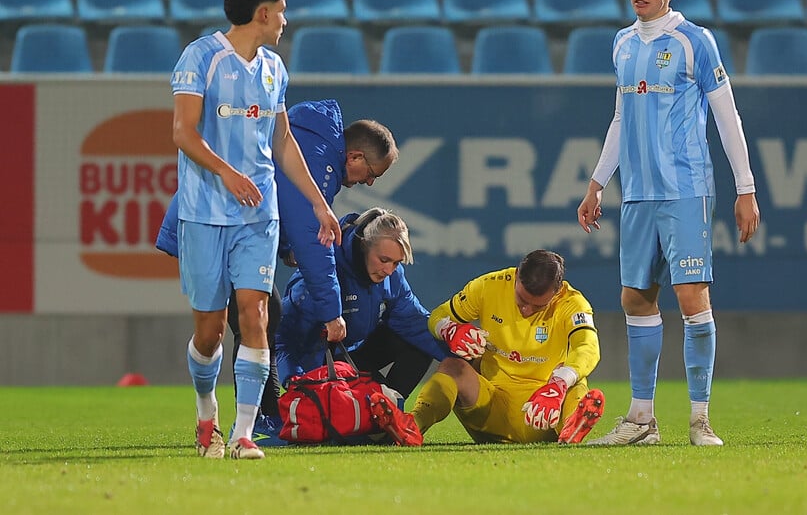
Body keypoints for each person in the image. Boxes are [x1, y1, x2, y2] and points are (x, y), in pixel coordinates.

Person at [576, 0, 760, 447]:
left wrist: (745, 187)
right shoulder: (621, 43)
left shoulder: (694, 41)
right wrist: (597, 182)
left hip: (685, 188)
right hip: (637, 193)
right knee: (635, 297)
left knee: (691, 295)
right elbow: (620, 117)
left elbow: (727, 115)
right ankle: (642, 420)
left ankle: (700, 420)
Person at [171, 0, 342, 461]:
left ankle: (244, 433)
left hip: (258, 215)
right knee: (208, 331)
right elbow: (183, 132)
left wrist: (318, 202)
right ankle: (207, 411)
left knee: (256, 314)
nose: (285, 21)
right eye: (282, 12)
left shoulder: (274, 69)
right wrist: (227, 173)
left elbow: (282, 141)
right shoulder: (201, 57)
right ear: (263, 13)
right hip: (205, 213)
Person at [156, 100, 399, 443]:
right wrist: (332, 312)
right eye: (373, 174)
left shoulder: (312, 144)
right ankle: (250, 418)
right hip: (212, 227)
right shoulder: (317, 158)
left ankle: (255, 418)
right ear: (355, 157)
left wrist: (286, 248)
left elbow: (279, 203)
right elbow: (313, 238)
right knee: (252, 317)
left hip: (223, 226)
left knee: (258, 315)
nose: (370, 183)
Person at [370, 250, 605, 446]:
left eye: (538, 307)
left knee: (574, 381)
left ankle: (569, 429)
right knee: (453, 366)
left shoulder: (572, 303)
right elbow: (438, 316)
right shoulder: (489, 286)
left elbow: (588, 347)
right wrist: (449, 329)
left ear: (557, 292)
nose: (526, 311)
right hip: (490, 406)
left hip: (543, 415)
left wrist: (558, 384)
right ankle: (412, 425)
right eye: (522, 300)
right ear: (516, 276)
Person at [275, 207, 450, 445]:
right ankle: (367, 419)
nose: (389, 270)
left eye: (397, 263)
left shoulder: (392, 276)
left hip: (354, 357)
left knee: (418, 343)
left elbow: (415, 323)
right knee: (341, 419)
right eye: (384, 260)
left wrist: (466, 358)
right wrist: (296, 382)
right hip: (320, 366)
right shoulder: (322, 274)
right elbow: (285, 340)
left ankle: (385, 419)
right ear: (363, 246)